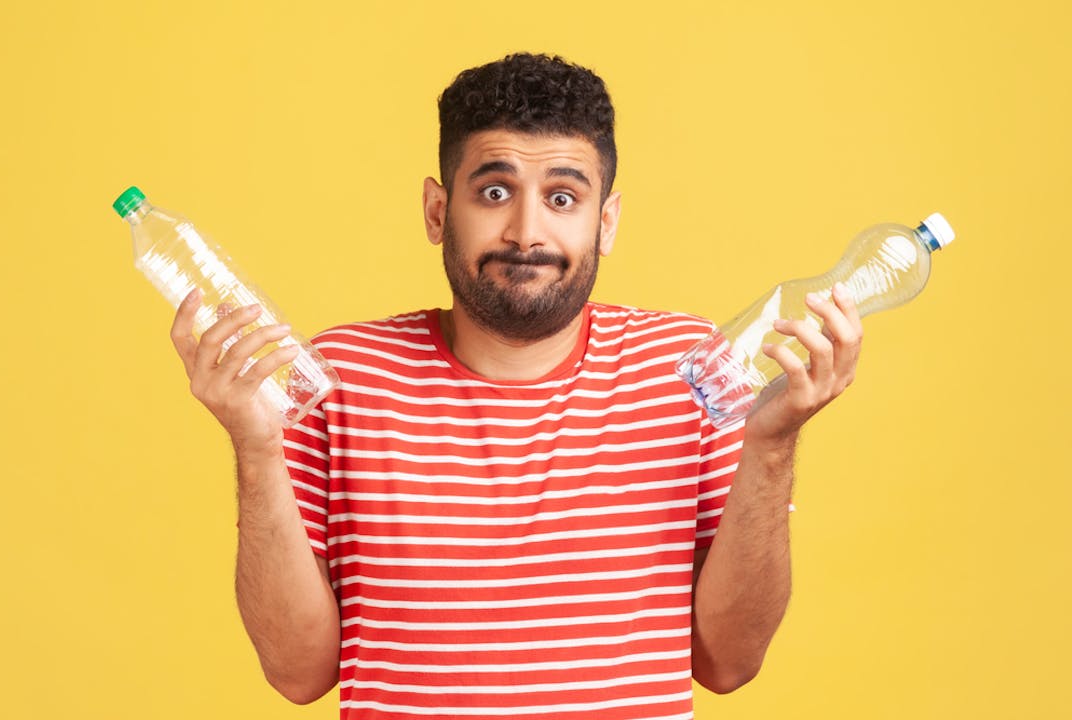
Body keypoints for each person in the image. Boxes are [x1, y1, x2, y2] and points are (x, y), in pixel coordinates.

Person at [170, 53, 863, 719]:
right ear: (438, 211)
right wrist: (255, 449)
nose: (526, 232)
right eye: (495, 192)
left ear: (607, 221)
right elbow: (297, 674)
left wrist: (770, 445)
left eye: (563, 197)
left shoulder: (686, 368)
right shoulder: (342, 376)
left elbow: (728, 664)